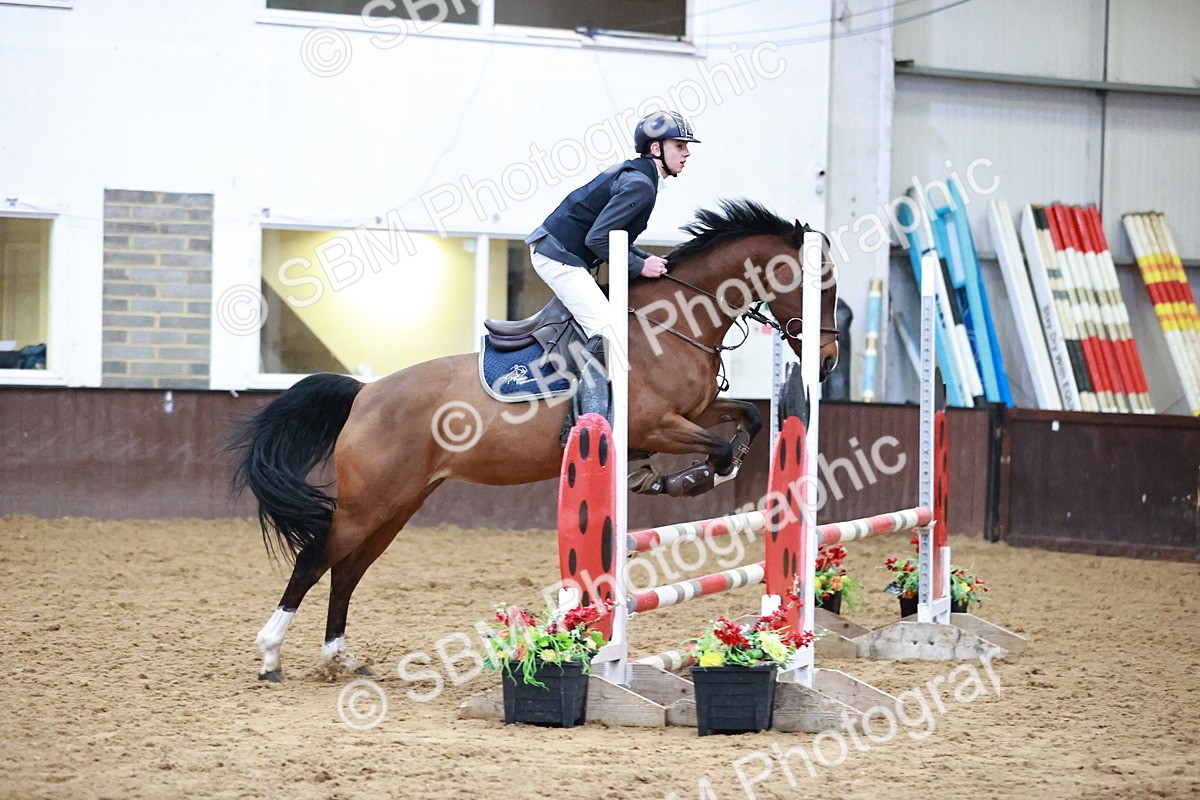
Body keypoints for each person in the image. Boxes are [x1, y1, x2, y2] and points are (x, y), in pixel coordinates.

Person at [524, 110, 699, 355]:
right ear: (656, 149)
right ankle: (590, 395)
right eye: (679, 146)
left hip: (564, 253)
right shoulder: (640, 184)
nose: (687, 153)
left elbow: (615, 238)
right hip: (558, 257)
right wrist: (639, 266)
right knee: (607, 333)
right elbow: (597, 238)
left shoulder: (640, 177)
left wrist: (643, 258)